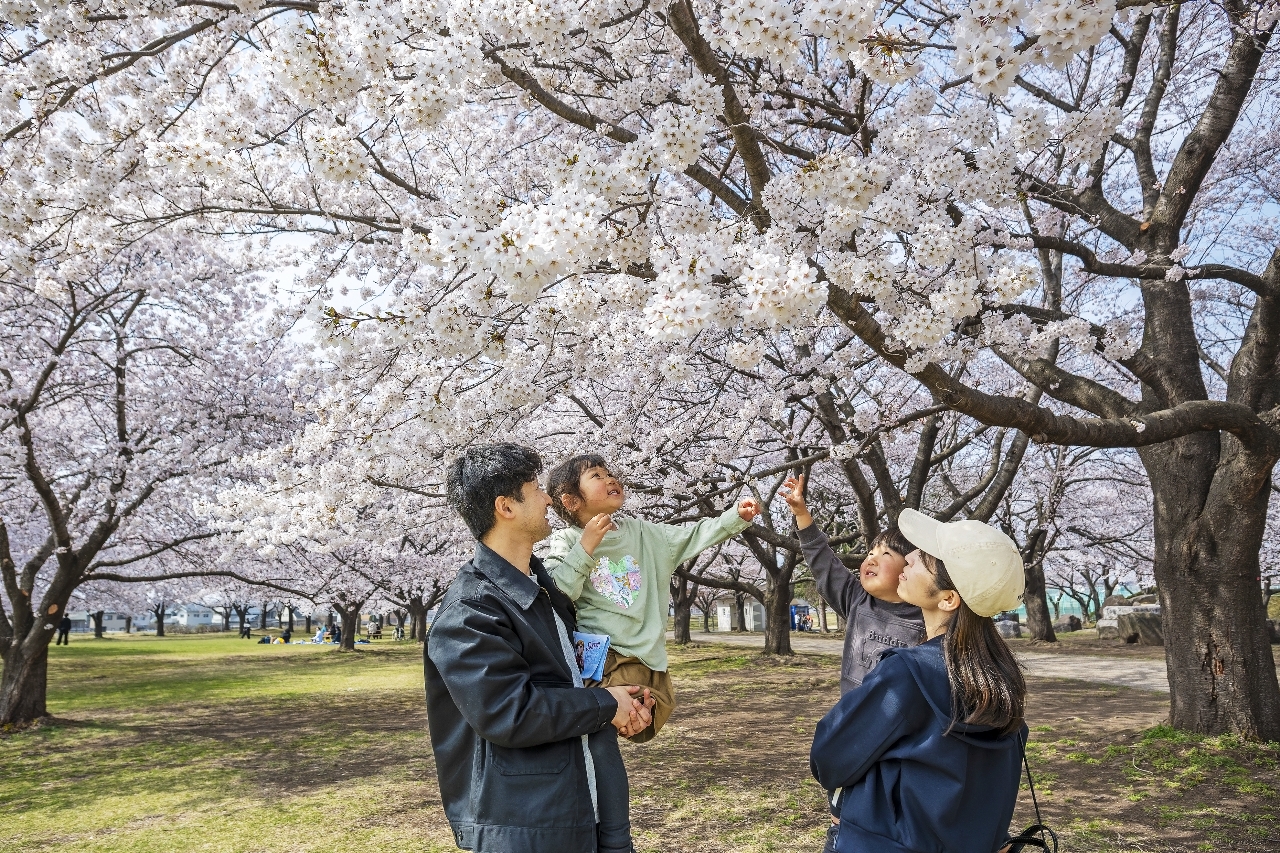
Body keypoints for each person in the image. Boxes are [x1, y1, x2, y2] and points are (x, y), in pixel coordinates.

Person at [426, 444, 655, 853]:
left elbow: (564, 686)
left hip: (595, 811)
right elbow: (509, 713)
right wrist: (605, 704)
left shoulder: (541, 587)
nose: (549, 497)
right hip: (527, 826)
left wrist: (622, 703)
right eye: (535, 488)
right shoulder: (472, 610)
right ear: (506, 507)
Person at [810, 508, 1029, 853]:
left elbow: (829, 756)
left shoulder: (906, 674)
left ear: (948, 598)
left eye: (925, 557)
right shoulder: (1000, 676)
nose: (910, 556)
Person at [545, 453, 760, 742]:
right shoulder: (568, 540)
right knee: (605, 731)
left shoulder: (643, 533)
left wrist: (733, 518)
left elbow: (692, 535)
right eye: (596, 475)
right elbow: (558, 591)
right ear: (571, 500)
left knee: (644, 717)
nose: (610, 478)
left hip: (650, 658)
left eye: (609, 471)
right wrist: (586, 546)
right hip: (607, 659)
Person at [781, 474, 925, 694]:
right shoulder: (856, 600)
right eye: (869, 553)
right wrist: (801, 513)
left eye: (886, 553)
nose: (871, 559)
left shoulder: (927, 615)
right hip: (854, 716)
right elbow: (823, 562)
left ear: (910, 567)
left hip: (903, 723)